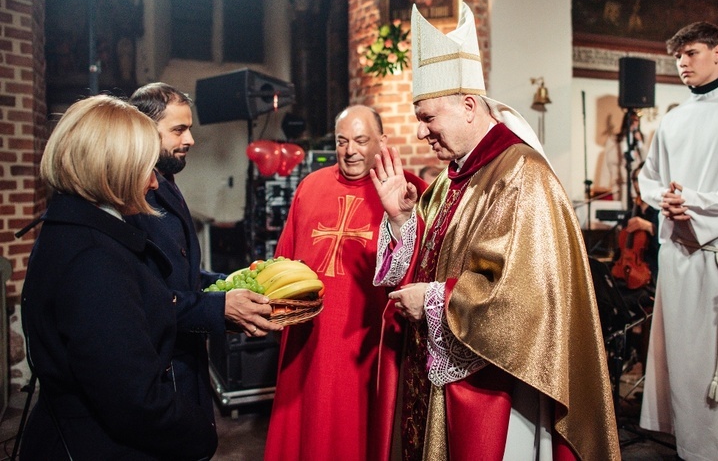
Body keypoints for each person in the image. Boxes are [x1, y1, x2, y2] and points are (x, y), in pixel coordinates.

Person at [370, 3, 619, 460]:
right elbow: (432, 253)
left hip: (499, 384)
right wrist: (404, 219)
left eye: (427, 118)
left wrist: (430, 299)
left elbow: (521, 297)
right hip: (443, 371)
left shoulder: (523, 173)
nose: (422, 131)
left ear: (468, 106)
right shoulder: (452, 175)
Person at [19, 95, 217, 459]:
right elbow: (137, 404)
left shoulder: (71, 228)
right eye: (145, 168)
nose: (155, 185)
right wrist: (200, 430)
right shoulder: (93, 260)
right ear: (113, 168)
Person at [264, 105, 427, 460]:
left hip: (366, 341)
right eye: (342, 141)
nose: (350, 150)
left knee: (362, 433)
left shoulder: (411, 190)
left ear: (382, 142)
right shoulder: (310, 186)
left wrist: (403, 220)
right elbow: (284, 261)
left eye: (360, 140)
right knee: (307, 430)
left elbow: (424, 268)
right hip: (310, 336)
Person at [127, 83, 282, 431]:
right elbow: (145, 299)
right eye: (179, 129)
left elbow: (183, 275)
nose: (191, 140)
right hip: (157, 371)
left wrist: (230, 284)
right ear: (142, 128)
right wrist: (219, 308)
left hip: (185, 361)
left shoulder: (165, 180)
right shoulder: (130, 196)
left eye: (190, 129)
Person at [638, 21, 718, 460]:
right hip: (680, 259)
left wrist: (696, 203)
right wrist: (664, 199)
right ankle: (691, 449)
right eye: (678, 56)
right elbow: (647, 179)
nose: (683, 63)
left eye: (692, 53)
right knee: (685, 367)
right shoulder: (673, 120)